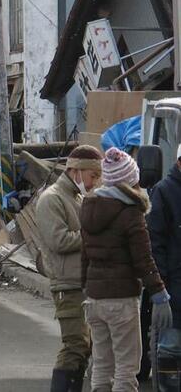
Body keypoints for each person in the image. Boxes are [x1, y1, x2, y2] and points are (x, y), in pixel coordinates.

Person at [80, 147, 173, 392]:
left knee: (101, 364)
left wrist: (85, 287)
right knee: (126, 368)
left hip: (94, 299)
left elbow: (84, 255)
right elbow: (143, 259)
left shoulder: (88, 207)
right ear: (130, 180)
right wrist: (159, 292)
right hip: (121, 300)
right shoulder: (131, 212)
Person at [34, 145, 103, 391]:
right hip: (67, 283)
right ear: (76, 171)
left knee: (84, 347)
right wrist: (93, 234)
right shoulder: (52, 199)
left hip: (82, 282)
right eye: (93, 176)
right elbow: (59, 240)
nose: (95, 182)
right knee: (74, 346)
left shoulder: (77, 197)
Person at [147, 144, 181, 329]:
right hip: (175, 290)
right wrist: (162, 287)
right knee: (170, 349)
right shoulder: (164, 191)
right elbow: (156, 243)